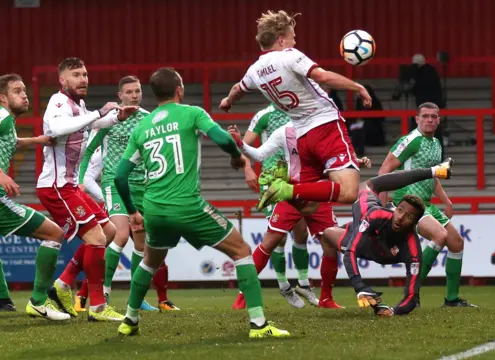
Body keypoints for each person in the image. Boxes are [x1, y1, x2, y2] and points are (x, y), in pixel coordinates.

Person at [114, 67, 289, 338]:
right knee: (242, 251)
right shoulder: (192, 113)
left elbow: (120, 176)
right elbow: (222, 138)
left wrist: (132, 211)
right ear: (179, 90)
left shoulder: (142, 127)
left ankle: (129, 320)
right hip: (187, 205)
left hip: (154, 208)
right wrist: (236, 158)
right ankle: (258, 324)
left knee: (149, 261)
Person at [220, 10, 373, 212]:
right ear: (281, 40)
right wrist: (358, 87)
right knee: (349, 191)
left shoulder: (254, 70)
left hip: (302, 137)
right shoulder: (289, 56)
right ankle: (286, 189)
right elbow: (323, 77)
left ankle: (290, 190)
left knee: (308, 206)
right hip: (325, 126)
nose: (294, 43)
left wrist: (227, 102)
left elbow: (237, 90)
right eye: (292, 38)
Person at [228, 123, 372, 309]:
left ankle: (326, 299)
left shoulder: (321, 128)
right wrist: (240, 143)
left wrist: (355, 162)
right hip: (293, 191)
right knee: (270, 242)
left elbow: (334, 159)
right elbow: (260, 154)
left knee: (329, 245)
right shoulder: (284, 131)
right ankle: (243, 297)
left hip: (319, 192)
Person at [36, 58, 138, 321]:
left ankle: (61, 285)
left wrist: (115, 117)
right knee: (97, 239)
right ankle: (97, 307)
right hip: (57, 187)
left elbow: (89, 124)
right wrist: (99, 113)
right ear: (62, 80)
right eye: (76, 74)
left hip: (69, 185)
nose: (83, 79)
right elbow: (58, 128)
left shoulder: (78, 104)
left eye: (85, 74)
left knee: (110, 230)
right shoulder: (58, 102)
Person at [78, 76, 177, 312]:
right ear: (119, 96)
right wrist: (81, 180)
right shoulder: (111, 119)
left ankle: (137, 298)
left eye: (138, 91)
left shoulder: (148, 119)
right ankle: (104, 294)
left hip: (142, 186)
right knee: (120, 235)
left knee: (142, 243)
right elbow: (89, 149)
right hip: (114, 182)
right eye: (129, 92)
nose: (134, 95)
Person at [321, 160, 453, 316]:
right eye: (400, 211)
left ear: (415, 223)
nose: (400, 218)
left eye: (409, 216)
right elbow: (350, 252)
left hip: (371, 234)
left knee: (367, 208)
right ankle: (325, 298)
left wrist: (392, 311)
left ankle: (433, 171)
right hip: (363, 235)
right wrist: (360, 287)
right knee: (328, 234)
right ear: (395, 209)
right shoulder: (376, 216)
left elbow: (411, 297)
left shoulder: (412, 248)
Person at [378, 102, 475, 307]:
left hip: (427, 204)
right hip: (408, 204)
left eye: (434, 116)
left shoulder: (436, 143)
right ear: (417, 119)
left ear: (439, 120)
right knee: (440, 235)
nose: (430, 119)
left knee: (456, 242)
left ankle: (451, 299)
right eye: (425, 116)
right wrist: (383, 204)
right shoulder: (411, 140)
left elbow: (433, 176)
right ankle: (412, 291)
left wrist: (446, 201)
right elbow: (384, 169)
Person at [0, 73, 70, 320]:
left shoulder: (7, 122)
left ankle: (3, 302)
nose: (24, 95)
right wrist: (2, 175)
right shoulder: (2, 116)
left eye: (24, 90)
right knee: (55, 233)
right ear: (3, 98)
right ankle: (39, 302)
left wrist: (36, 140)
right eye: (17, 91)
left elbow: (10, 142)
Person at [234, 104, 318, 309]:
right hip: (272, 180)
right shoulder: (264, 115)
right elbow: (244, 145)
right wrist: (247, 169)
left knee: (301, 233)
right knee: (278, 237)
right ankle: (284, 286)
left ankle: (304, 284)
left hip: (295, 179)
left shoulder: (303, 112)